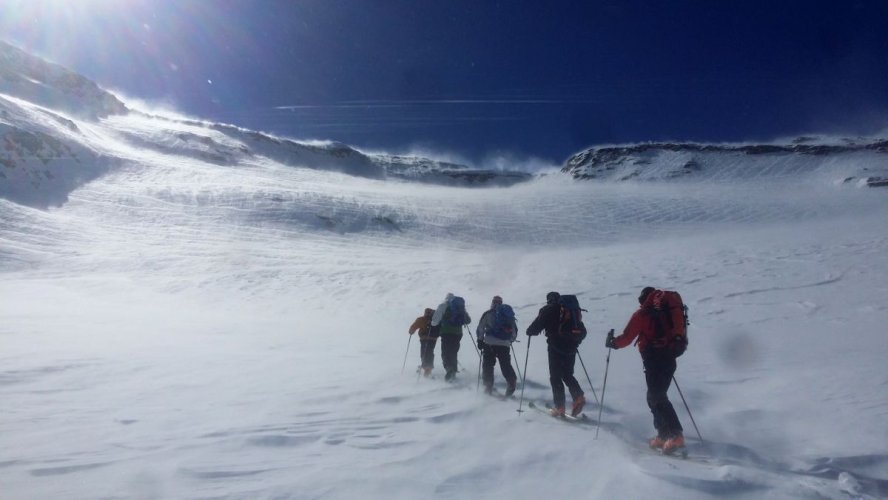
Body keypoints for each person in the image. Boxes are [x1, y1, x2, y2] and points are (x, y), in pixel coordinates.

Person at [607, 286, 685, 454]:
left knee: (657, 397)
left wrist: (613, 343)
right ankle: (663, 434)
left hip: (653, 361)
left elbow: (627, 338)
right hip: (669, 358)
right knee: (654, 397)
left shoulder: (642, 315)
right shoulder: (669, 311)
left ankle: (675, 434)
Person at [526, 291, 585, 417]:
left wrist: (530, 331)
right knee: (568, 374)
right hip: (571, 347)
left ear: (549, 300)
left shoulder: (548, 309)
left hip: (555, 347)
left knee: (555, 377)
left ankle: (560, 407)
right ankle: (578, 396)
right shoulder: (571, 309)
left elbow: (535, 328)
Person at [476, 295, 518, 396]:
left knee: (488, 365)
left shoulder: (488, 314)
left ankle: (488, 386)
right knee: (505, 365)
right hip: (504, 345)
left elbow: (480, 328)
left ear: (492, 302)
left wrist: (480, 340)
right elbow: (514, 332)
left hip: (489, 343)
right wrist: (509, 341)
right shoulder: (508, 315)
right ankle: (511, 381)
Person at [431, 293, 471, 381]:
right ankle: (453, 371)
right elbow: (468, 320)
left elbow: (434, 321)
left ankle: (449, 370)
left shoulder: (443, 305)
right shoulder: (460, 307)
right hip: (458, 333)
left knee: (445, 352)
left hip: (446, 332)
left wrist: (435, 325)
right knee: (453, 351)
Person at [408, 307, 436, 377]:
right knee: (430, 352)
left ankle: (426, 367)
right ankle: (428, 366)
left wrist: (411, 332)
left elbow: (413, 327)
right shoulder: (435, 320)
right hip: (433, 339)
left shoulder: (421, 319)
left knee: (424, 352)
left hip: (424, 338)